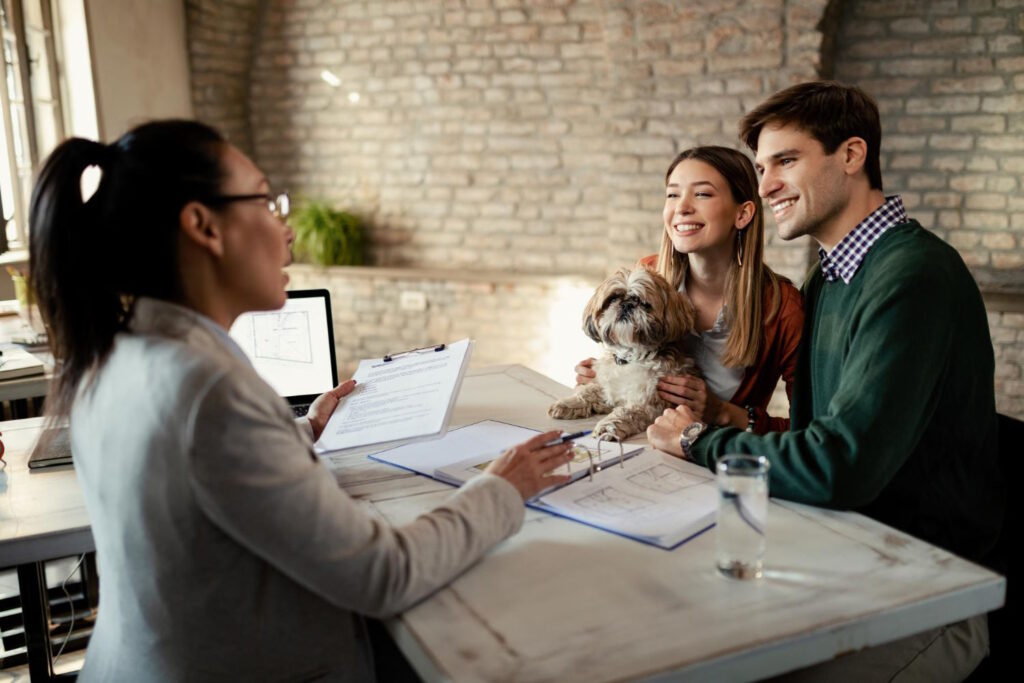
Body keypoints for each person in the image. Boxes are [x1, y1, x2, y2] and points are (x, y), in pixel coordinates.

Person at [28, 120, 574, 682]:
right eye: (266, 202)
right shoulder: (209, 388)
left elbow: (199, 476)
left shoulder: (118, 350)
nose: (287, 232)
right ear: (203, 226)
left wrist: (304, 429)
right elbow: (382, 574)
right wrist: (502, 489)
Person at [647, 81, 1002, 681]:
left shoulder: (912, 276)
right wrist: (732, 422)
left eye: (786, 161)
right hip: (842, 547)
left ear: (852, 155)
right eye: (761, 168)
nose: (764, 186)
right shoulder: (829, 280)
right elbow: (817, 434)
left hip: (927, 589)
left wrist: (698, 441)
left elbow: (841, 463)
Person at [576, 146, 803, 434]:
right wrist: (604, 376)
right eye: (673, 194)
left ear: (743, 213)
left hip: (715, 464)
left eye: (702, 194)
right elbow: (630, 371)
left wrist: (722, 412)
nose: (681, 207)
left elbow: (808, 433)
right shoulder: (647, 276)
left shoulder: (782, 307)